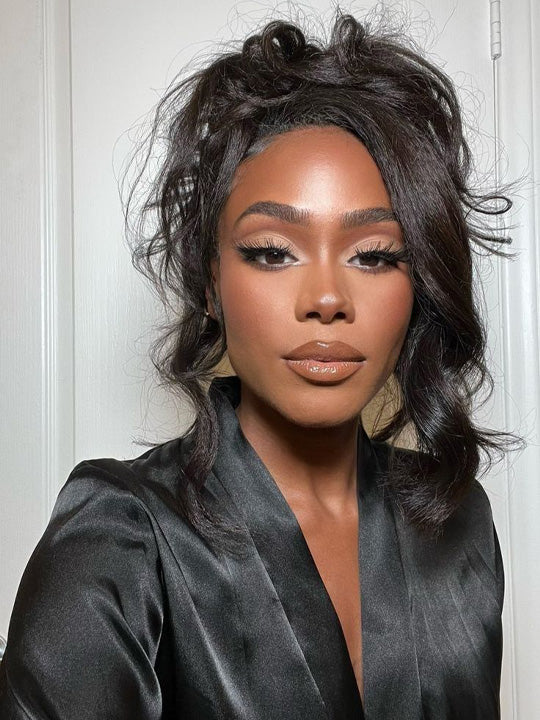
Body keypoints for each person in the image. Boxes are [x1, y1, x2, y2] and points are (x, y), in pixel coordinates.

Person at [0, 11, 518, 720]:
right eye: (273, 251)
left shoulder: (459, 524)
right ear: (211, 284)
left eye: (373, 255)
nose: (327, 298)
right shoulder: (119, 542)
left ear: (418, 281)